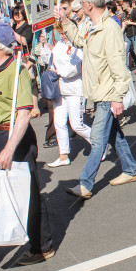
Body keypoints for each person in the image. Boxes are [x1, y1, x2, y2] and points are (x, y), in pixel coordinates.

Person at [0, 21, 54, 268]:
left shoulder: (17, 72)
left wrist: (9, 149)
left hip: (15, 138)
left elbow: (23, 114)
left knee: (28, 194)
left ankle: (41, 247)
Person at [57, 0, 136, 199]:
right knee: (114, 135)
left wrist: (117, 97)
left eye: (81, 3)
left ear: (89, 5)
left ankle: (85, 184)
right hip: (98, 92)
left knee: (97, 139)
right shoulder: (91, 25)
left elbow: (118, 66)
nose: (78, 6)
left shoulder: (109, 28)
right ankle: (131, 169)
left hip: (107, 92)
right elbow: (79, 41)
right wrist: (65, 22)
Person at [40, 30, 92, 168]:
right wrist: (44, 45)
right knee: (59, 123)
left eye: (65, 33)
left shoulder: (78, 47)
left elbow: (75, 69)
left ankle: (99, 143)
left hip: (75, 90)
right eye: (61, 33)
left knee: (76, 125)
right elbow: (47, 61)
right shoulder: (58, 46)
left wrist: (59, 72)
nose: (63, 36)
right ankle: (63, 155)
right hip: (59, 91)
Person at [122, 0, 136, 75]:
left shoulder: (135, 13)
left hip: (135, 35)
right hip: (128, 35)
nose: (122, 6)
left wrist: (131, 23)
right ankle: (127, 68)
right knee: (125, 51)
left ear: (127, 5)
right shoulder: (126, 14)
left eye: (123, 4)